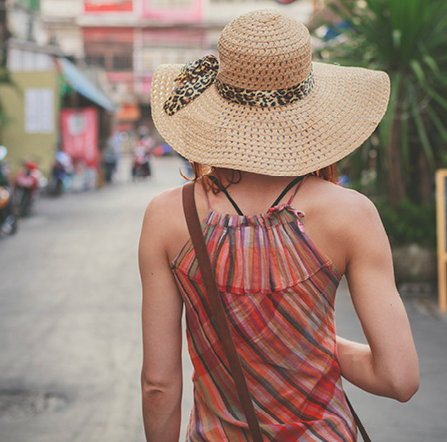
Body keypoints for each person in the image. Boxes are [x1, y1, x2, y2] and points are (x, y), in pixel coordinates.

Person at [139, 10, 419, 442]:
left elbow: (158, 386)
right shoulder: (352, 215)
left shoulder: (167, 215)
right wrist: (315, 346)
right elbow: (399, 378)